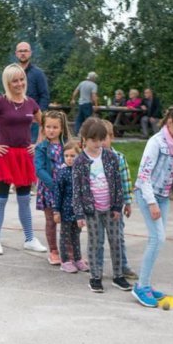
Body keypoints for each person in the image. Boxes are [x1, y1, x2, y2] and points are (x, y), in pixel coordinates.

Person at [0, 63, 47, 255]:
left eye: (22, 79)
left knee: (24, 200)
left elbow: (45, 123)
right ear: (7, 82)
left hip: (24, 156)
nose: (19, 83)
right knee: (1, 199)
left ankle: (29, 238)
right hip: (4, 155)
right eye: (15, 80)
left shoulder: (30, 102)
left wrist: (37, 144)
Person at [131, 106, 173, 307]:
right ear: (170, 122)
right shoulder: (155, 143)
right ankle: (141, 287)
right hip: (147, 194)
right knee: (157, 238)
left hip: (164, 197)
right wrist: (151, 203)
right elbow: (144, 175)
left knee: (158, 240)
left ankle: (146, 284)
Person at [72, 117, 131, 293]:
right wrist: (79, 214)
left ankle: (119, 275)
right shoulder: (80, 162)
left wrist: (117, 207)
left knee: (116, 241)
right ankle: (95, 277)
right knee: (96, 243)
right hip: (92, 211)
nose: (98, 144)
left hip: (111, 209)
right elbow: (77, 191)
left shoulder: (111, 157)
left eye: (101, 140)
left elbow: (117, 184)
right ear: (84, 139)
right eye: (93, 140)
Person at [99, 119, 138, 280]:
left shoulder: (119, 158)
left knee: (117, 237)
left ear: (111, 137)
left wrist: (128, 203)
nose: (100, 143)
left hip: (115, 207)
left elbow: (126, 182)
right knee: (97, 239)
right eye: (96, 139)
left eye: (104, 138)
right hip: (96, 207)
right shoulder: (89, 158)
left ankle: (122, 265)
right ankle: (97, 266)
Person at [34, 110, 71, 265]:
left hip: (67, 190)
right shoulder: (41, 147)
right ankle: (54, 251)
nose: (51, 130)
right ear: (43, 128)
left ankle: (69, 251)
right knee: (51, 220)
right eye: (48, 126)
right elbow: (39, 169)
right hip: (49, 190)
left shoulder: (67, 147)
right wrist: (54, 185)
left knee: (68, 221)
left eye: (55, 127)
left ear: (61, 128)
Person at [53, 140, 89, 273]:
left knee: (76, 235)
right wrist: (56, 210)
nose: (69, 159)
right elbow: (58, 193)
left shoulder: (82, 172)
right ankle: (66, 260)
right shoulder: (62, 173)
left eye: (72, 156)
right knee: (65, 236)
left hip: (78, 212)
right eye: (66, 155)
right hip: (65, 211)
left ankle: (77, 258)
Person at [15, 42, 50, 143]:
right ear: (16, 53)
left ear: (30, 53)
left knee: (31, 150)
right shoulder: (12, 73)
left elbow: (45, 96)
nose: (23, 53)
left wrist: (38, 115)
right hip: (14, 118)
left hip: (32, 120)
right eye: (20, 51)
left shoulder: (38, 73)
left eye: (25, 51)